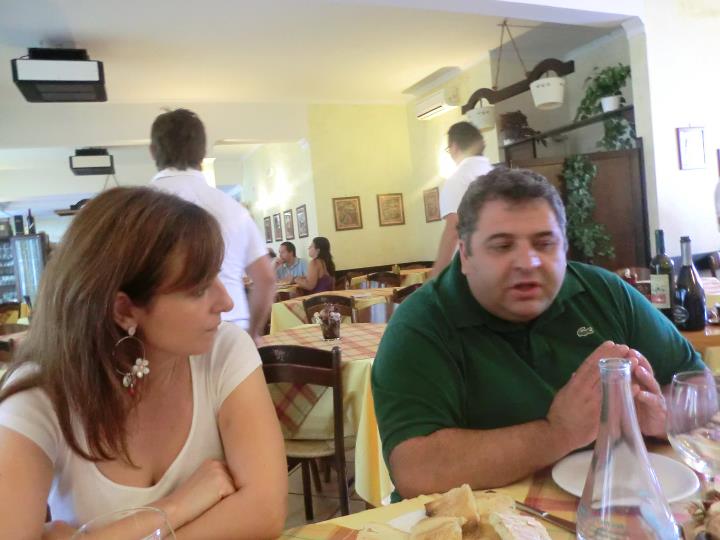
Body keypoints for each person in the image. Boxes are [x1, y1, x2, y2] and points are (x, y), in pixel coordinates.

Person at [373, 167, 705, 501]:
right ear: (465, 255)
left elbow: (700, 388)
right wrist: (556, 433)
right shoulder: (421, 323)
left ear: (564, 249)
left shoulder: (605, 293)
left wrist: (663, 419)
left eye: (544, 243)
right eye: (502, 246)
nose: (528, 262)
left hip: (615, 505)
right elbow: (416, 470)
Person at [0, 188, 287, 539]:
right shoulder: (40, 395)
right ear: (124, 310)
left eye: (217, 276)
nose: (226, 302)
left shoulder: (224, 351)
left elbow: (265, 512)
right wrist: (176, 507)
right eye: (198, 289)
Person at [150, 108, 275, 343]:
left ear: (153, 151)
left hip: (164, 332)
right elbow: (266, 279)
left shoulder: (135, 211)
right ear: (202, 153)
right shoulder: (234, 210)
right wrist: (252, 333)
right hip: (230, 326)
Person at [431, 121, 493, 277]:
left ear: (454, 147)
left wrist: (436, 277)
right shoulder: (495, 174)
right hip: (497, 261)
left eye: (449, 149)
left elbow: (453, 227)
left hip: (471, 268)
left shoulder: (459, 178)